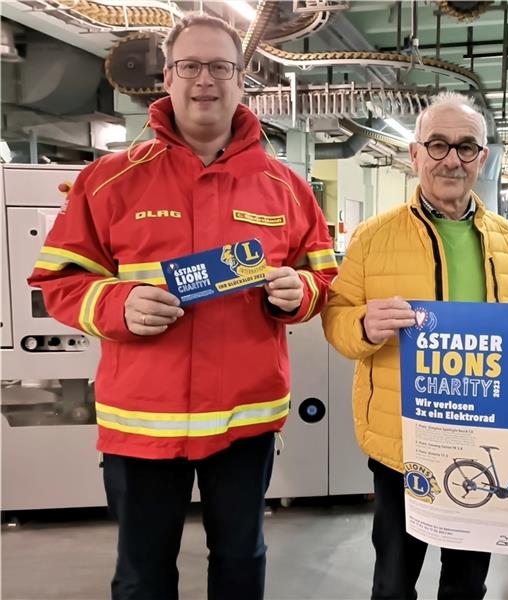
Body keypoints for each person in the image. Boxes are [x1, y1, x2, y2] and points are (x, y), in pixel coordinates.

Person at [28, 13, 336, 600]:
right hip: (142, 422)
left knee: (242, 563)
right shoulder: (107, 181)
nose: (205, 80)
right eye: (190, 66)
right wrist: (117, 305)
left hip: (244, 422)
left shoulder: (286, 187)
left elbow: (323, 277)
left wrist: (300, 295)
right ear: (167, 78)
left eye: (221, 67)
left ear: (241, 80)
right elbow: (59, 283)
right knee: (142, 574)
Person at [321, 91, 508, 600]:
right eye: (438, 145)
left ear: (483, 158)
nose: (451, 158)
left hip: (483, 439)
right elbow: (336, 319)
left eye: (467, 147)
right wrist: (362, 324)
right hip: (401, 445)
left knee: (467, 583)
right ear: (414, 154)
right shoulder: (370, 239)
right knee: (392, 581)